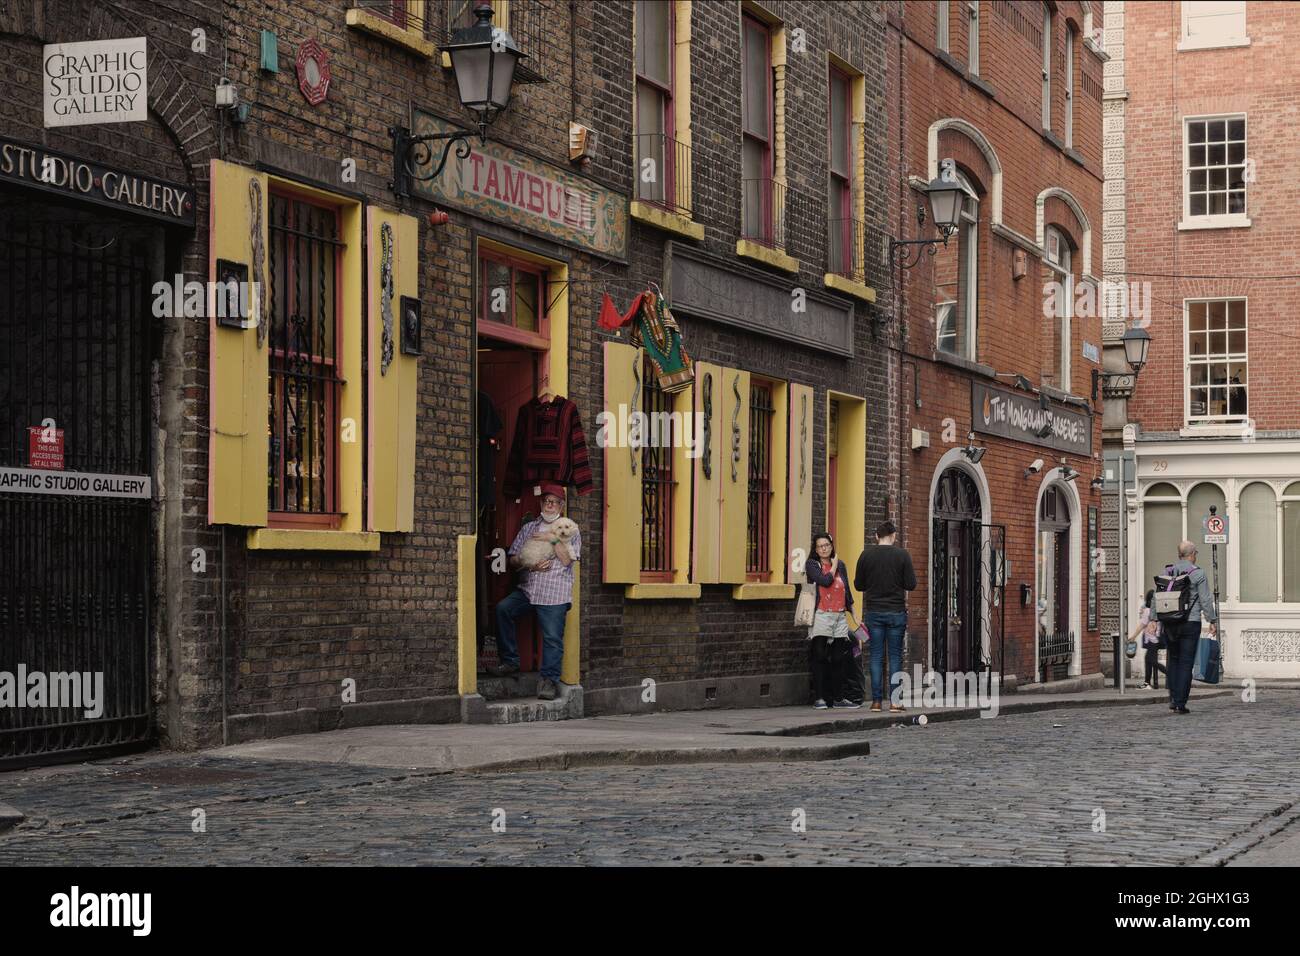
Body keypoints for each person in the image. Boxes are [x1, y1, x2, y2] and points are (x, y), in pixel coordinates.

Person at [492, 483, 580, 701]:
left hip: (554, 592)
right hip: (529, 588)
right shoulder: (529, 528)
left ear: (561, 505)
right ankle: (510, 662)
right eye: (546, 501)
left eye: (555, 502)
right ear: (541, 503)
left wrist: (552, 539)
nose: (550, 505)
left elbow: (568, 560)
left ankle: (549, 681)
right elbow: (513, 558)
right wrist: (529, 565)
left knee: (552, 638)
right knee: (503, 610)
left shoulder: (570, 529)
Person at [855, 520, 917, 713]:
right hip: (896, 612)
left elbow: (859, 585)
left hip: (874, 612)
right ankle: (895, 702)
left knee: (875, 656)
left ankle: (875, 702)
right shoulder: (902, 555)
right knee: (895, 657)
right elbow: (911, 584)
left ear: (876, 536)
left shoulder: (866, 555)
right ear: (894, 536)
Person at [1161, 541, 1218, 715]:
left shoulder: (1168, 571)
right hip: (1190, 622)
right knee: (1186, 663)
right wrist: (1212, 620)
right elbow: (1205, 600)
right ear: (1192, 554)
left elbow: (1159, 595)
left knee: (1174, 661)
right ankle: (1180, 703)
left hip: (1170, 622)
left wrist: (1155, 619)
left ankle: (1172, 699)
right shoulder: (1198, 573)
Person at [804, 532, 860, 710]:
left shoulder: (841, 565)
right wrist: (834, 565)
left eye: (826, 545)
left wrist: (854, 613)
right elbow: (825, 581)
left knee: (838, 658)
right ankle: (819, 698)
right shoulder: (813, 564)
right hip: (821, 614)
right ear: (815, 549)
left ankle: (838, 698)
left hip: (839, 616)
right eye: (820, 546)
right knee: (819, 656)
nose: (824, 549)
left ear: (831, 545)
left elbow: (847, 591)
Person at [1128, 589, 1167, 690]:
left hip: (1151, 640)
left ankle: (1170, 674)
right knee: (1148, 660)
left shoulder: (1147, 611)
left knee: (1152, 661)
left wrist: (1133, 636)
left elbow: (1142, 625)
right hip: (1156, 639)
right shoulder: (1159, 610)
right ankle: (1147, 683)